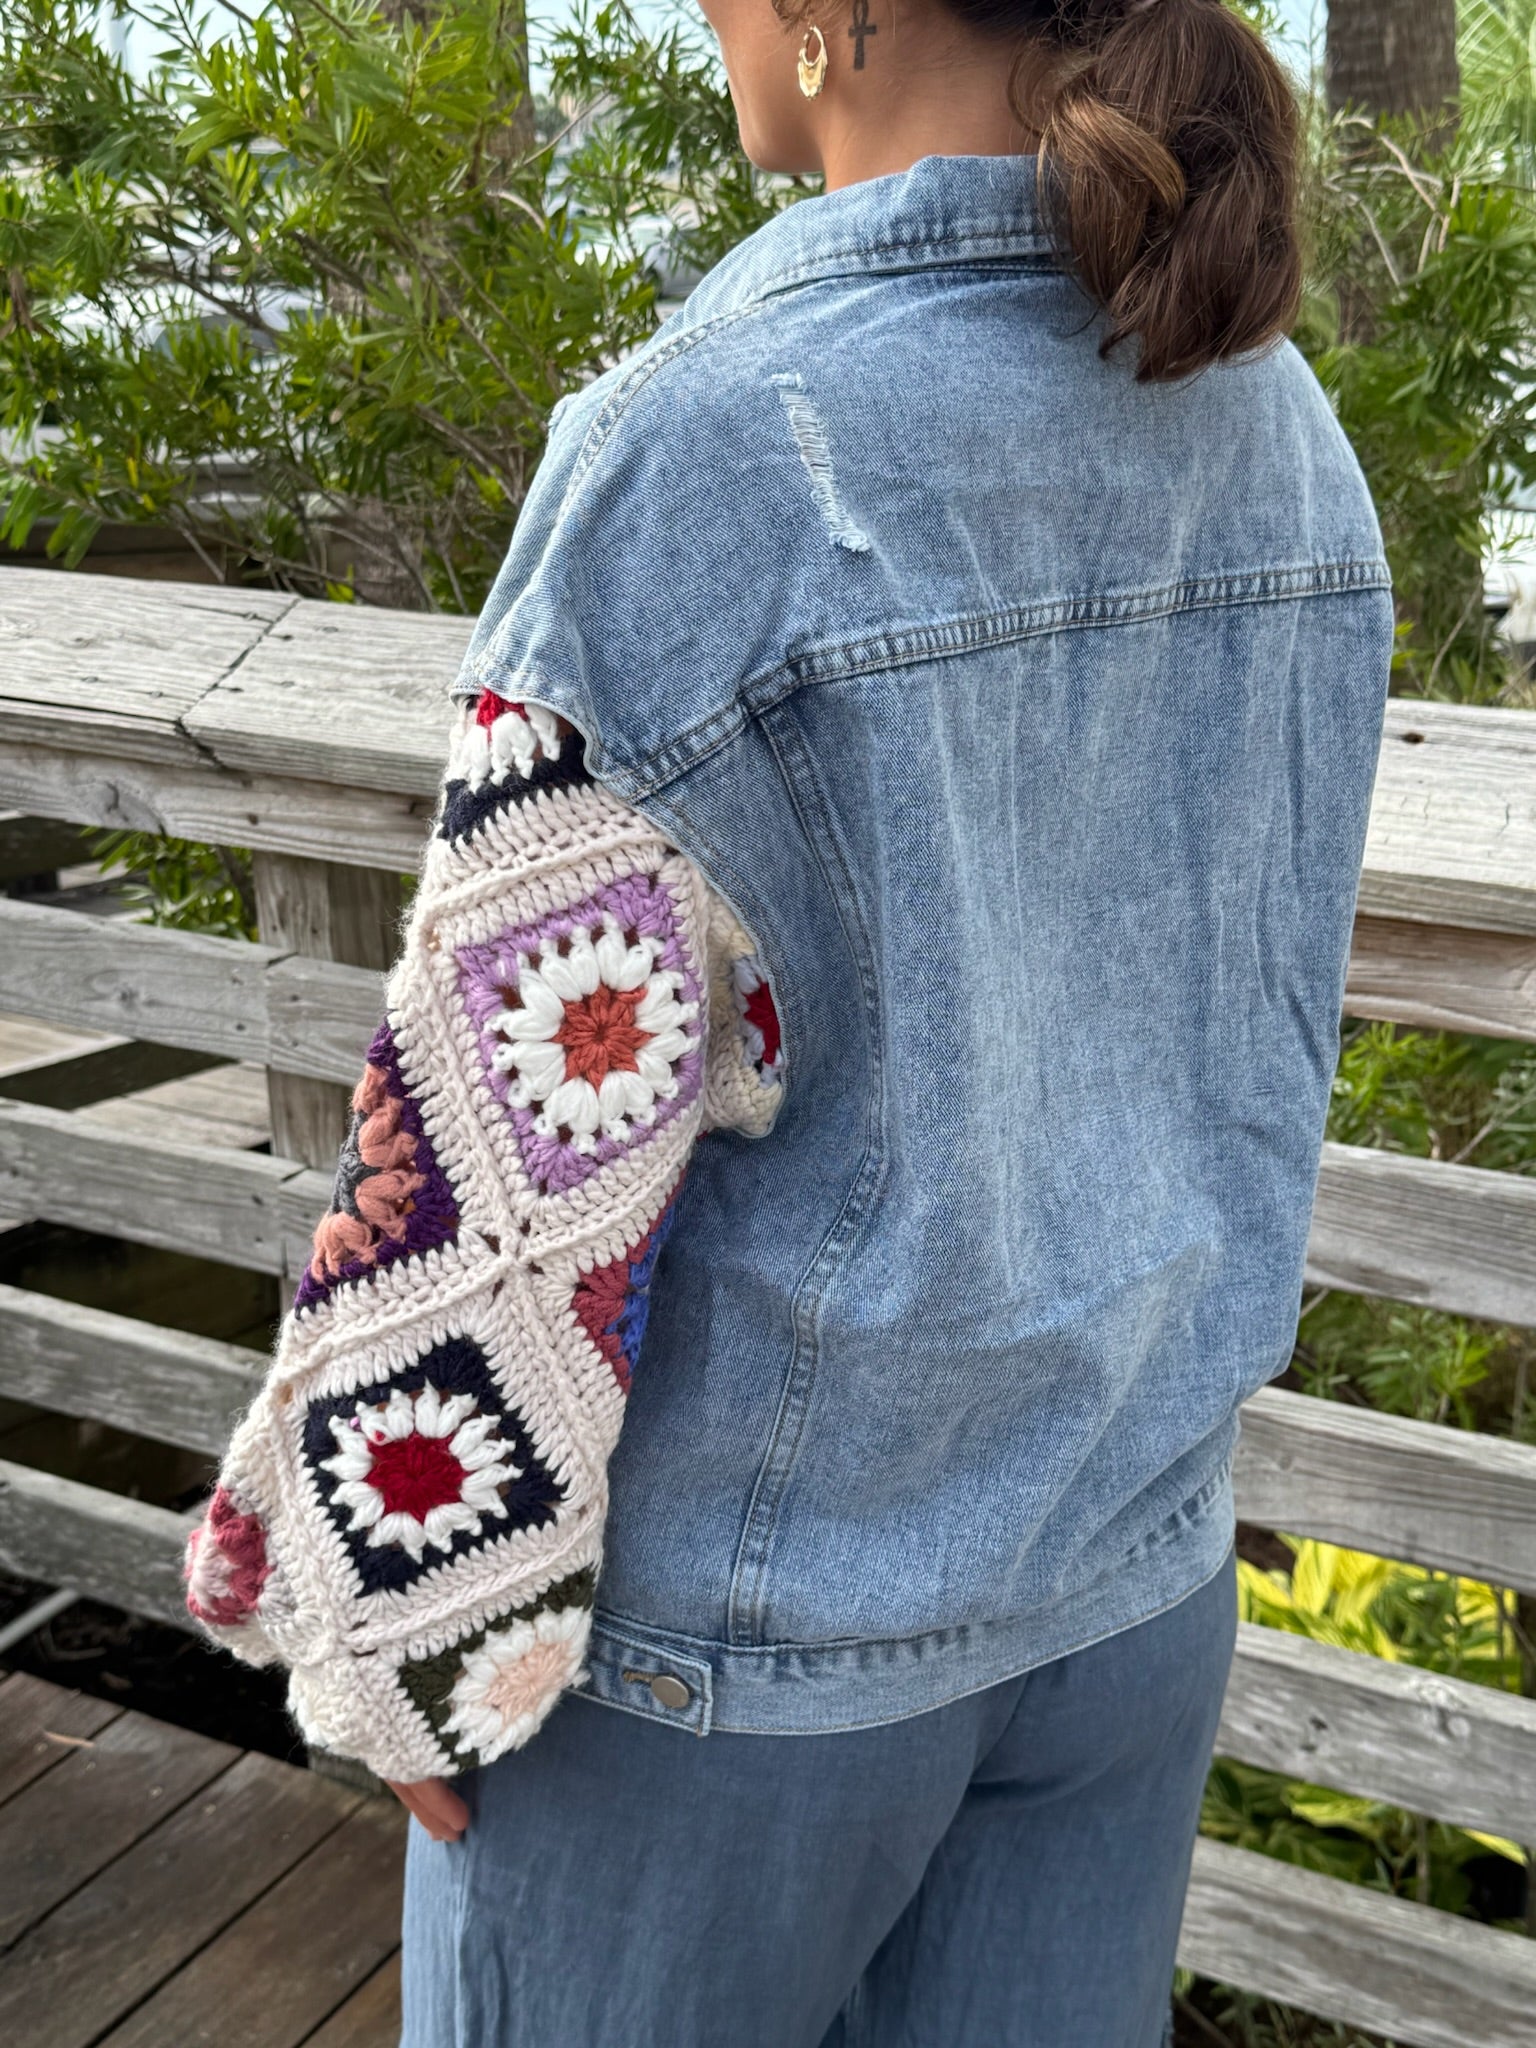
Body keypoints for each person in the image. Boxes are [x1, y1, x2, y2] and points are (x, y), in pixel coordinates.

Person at [183, 0, 1393, 2040]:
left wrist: (405, 1615)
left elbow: (504, 1135)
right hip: (1123, 1585)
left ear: (830, 17)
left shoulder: (716, 445)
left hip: (742, 1665)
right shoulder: (1269, 417)